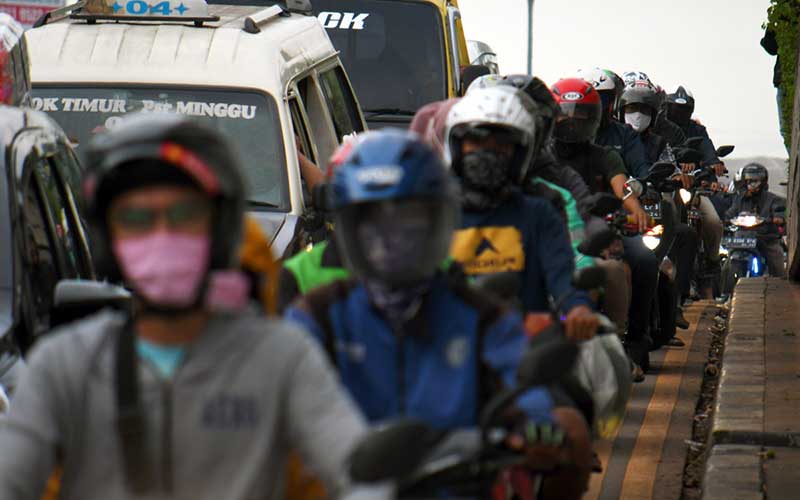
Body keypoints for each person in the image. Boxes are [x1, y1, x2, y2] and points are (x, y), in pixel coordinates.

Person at [0, 114, 375, 500]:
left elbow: (354, 471)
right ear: (110, 241)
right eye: (137, 219)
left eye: (183, 216)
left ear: (219, 231)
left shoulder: (282, 359)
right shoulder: (65, 367)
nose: (161, 238)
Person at [285, 130, 594, 500]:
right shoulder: (317, 314)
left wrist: (535, 428)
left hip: (456, 485)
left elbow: (520, 382)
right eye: (373, 221)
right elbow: (277, 387)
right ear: (350, 228)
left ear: (437, 223)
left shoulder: (481, 315)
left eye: (408, 221)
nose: (390, 238)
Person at [443, 86, 599, 340]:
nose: (487, 152)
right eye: (477, 141)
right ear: (458, 147)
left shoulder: (540, 212)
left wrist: (577, 308)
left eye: (500, 145)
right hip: (449, 349)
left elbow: (562, 276)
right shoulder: (433, 214)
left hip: (526, 351)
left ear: (519, 154)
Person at [549, 77, 659, 376]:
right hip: (548, 231)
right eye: (565, 114)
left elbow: (621, 187)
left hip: (597, 229)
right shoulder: (541, 155)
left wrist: (635, 209)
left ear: (594, 118)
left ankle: (629, 343)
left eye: (580, 115)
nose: (572, 122)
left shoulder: (604, 154)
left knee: (643, 261)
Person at [665, 86, 725, 297]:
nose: (679, 114)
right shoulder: (662, 130)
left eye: (684, 110)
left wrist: (714, 163)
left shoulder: (697, 131)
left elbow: (707, 149)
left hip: (694, 191)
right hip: (670, 189)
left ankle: (712, 260)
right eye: (675, 109)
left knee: (713, 222)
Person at [578, 68, 650, 179]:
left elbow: (640, 166)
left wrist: (647, 184)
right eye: (589, 100)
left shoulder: (625, 134)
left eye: (602, 99)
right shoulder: (563, 131)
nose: (596, 106)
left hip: (618, 193)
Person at [725, 163, 786, 277]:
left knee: (777, 260)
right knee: (726, 262)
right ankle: (723, 290)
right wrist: (724, 220)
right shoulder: (740, 199)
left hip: (766, 238)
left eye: (755, 181)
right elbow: (730, 213)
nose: (751, 184)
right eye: (748, 181)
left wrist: (778, 218)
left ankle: (780, 286)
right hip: (742, 238)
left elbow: (780, 211)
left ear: (763, 182)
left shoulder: (773, 199)